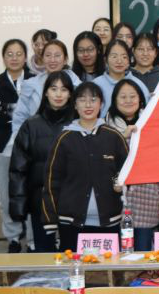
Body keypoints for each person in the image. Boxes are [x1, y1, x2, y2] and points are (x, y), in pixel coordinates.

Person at [42, 82, 128, 252]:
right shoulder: (64, 138)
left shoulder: (114, 136)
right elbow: (52, 181)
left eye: (93, 100)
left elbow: (124, 171)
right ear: (75, 105)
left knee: (108, 267)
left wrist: (117, 182)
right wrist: (50, 219)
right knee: (73, 267)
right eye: (82, 100)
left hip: (109, 221)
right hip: (71, 222)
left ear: (101, 104)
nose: (88, 105)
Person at [9, 71, 75, 252]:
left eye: (64, 89)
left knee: (72, 255)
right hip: (40, 202)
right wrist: (18, 207)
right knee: (44, 255)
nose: (58, 94)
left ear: (70, 94)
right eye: (53, 89)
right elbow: (18, 170)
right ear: (45, 92)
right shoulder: (30, 125)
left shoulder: (78, 124)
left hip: (73, 203)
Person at [104, 79, 159, 247]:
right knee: (117, 252)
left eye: (132, 96)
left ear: (140, 100)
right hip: (114, 199)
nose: (128, 100)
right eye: (123, 97)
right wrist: (122, 137)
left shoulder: (152, 125)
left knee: (143, 250)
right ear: (114, 100)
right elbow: (103, 164)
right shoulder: (105, 128)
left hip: (147, 197)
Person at [0, 38, 33, 252]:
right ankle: (13, 238)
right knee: (6, 196)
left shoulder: (34, 80)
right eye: (9, 54)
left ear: (25, 57)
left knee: (31, 194)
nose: (14, 58)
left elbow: (39, 113)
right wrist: (20, 112)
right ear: (3, 58)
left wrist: (8, 109)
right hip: (2, 148)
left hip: (30, 148)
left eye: (19, 53)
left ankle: (32, 240)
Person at [12, 39, 82, 138]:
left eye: (57, 55)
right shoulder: (30, 85)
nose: (52, 60)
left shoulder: (77, 86)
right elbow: (19, 117)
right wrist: (21, 140)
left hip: (70, 139)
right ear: (42, 59)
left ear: (65, 59)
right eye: (48, 55)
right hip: (37, 139)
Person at [92, 39, 147, 115]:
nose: (119, 61)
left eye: (124, 57)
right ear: (105, 60)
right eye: (114, 56)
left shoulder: (138, 84)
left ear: (129, 61)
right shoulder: (96, 84)